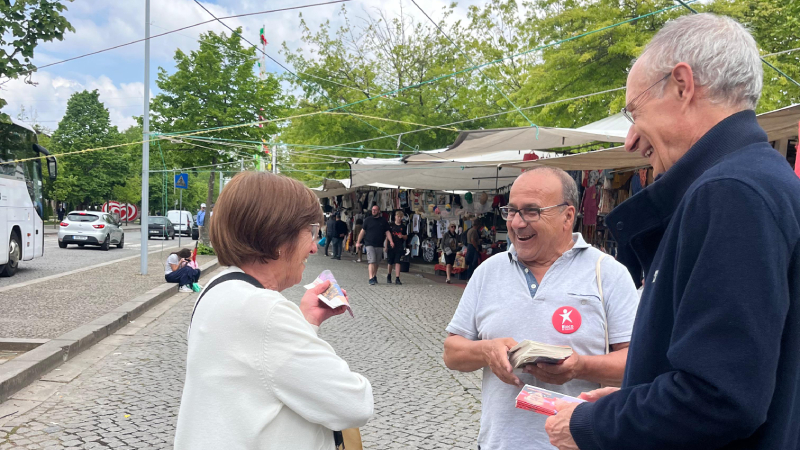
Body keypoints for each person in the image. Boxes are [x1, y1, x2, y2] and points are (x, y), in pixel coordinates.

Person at [544, 14, 800, 450]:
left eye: (635, 111)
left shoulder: (730, 192)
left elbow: (718, 396)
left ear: (682, 85)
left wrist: (595, 424)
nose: (630, 140)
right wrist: (632, 397)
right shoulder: (761, 179)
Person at [443, 166, 639, 450]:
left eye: (531, 211)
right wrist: (486, 351)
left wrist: (580, 367)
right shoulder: (488, 271)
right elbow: (451, 353)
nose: (517, 223)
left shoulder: (607, 273)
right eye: (512, 210)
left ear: (567, 216)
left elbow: (637, 362)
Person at [174, 171, 373, 450]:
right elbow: (354, 403)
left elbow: (260, 368)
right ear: (278, 238)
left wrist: (306, 321)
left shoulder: (219, 289)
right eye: (311, 232)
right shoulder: (262, 310)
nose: (314, 248)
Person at [356, 205, 393, 285]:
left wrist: (391, 241)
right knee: (371, 261)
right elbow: (362, 231)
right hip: (369, 243)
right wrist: (358, 242)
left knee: (377, 262)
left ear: (379, 211)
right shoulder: (367, 220)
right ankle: (371, 278)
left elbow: (387, 232)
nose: (373, 211)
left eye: (375, 210)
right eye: (372, 210)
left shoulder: (383, 220)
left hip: (379, 244)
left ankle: (374, 275)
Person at [385, 210, 407, 285]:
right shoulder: (391, 225)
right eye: (398, 217)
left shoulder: (403, 226)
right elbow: (387, 236)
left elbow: (406, 236)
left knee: (398, 261)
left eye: (401, 217)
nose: (399, 218)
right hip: (391, 246)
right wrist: (386, 246)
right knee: (390, 262)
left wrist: (402, 236)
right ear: (395, 217)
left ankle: (397, 278)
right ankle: (389, 275)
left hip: (399, 246)